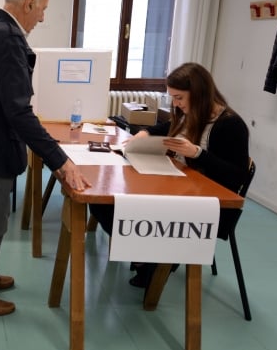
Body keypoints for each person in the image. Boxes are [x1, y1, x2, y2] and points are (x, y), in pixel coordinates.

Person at [0, 0, 90, 316]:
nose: (43, 17)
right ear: (28, 4)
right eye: (42, 9)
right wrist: (60, 160)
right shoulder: (7, 39)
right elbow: (18, 111)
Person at [89, 62, 250, 288]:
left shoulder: (231, 125)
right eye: (173, 98)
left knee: (114, 206)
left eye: (179, 98)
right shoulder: (191, 113)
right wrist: (144, 133)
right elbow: (165, 129)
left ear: (200, 94)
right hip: (176, 185)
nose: (175, 104)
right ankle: (148, 255)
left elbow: (236, 177)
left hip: (205, 202)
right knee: (101, 202)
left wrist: (198, 154)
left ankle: (153, 258)